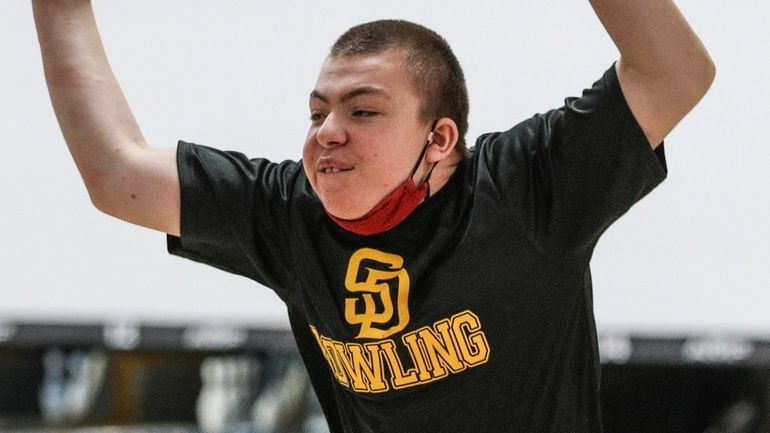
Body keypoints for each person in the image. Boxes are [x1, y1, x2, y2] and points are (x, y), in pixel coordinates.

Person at [33, 1, 715, 432]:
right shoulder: (289, 213)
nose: (328, 130)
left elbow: (675, 73)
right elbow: (117, 173)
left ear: (439, 139)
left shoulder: (522, 187)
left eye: (362, 111)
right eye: (316, 112)